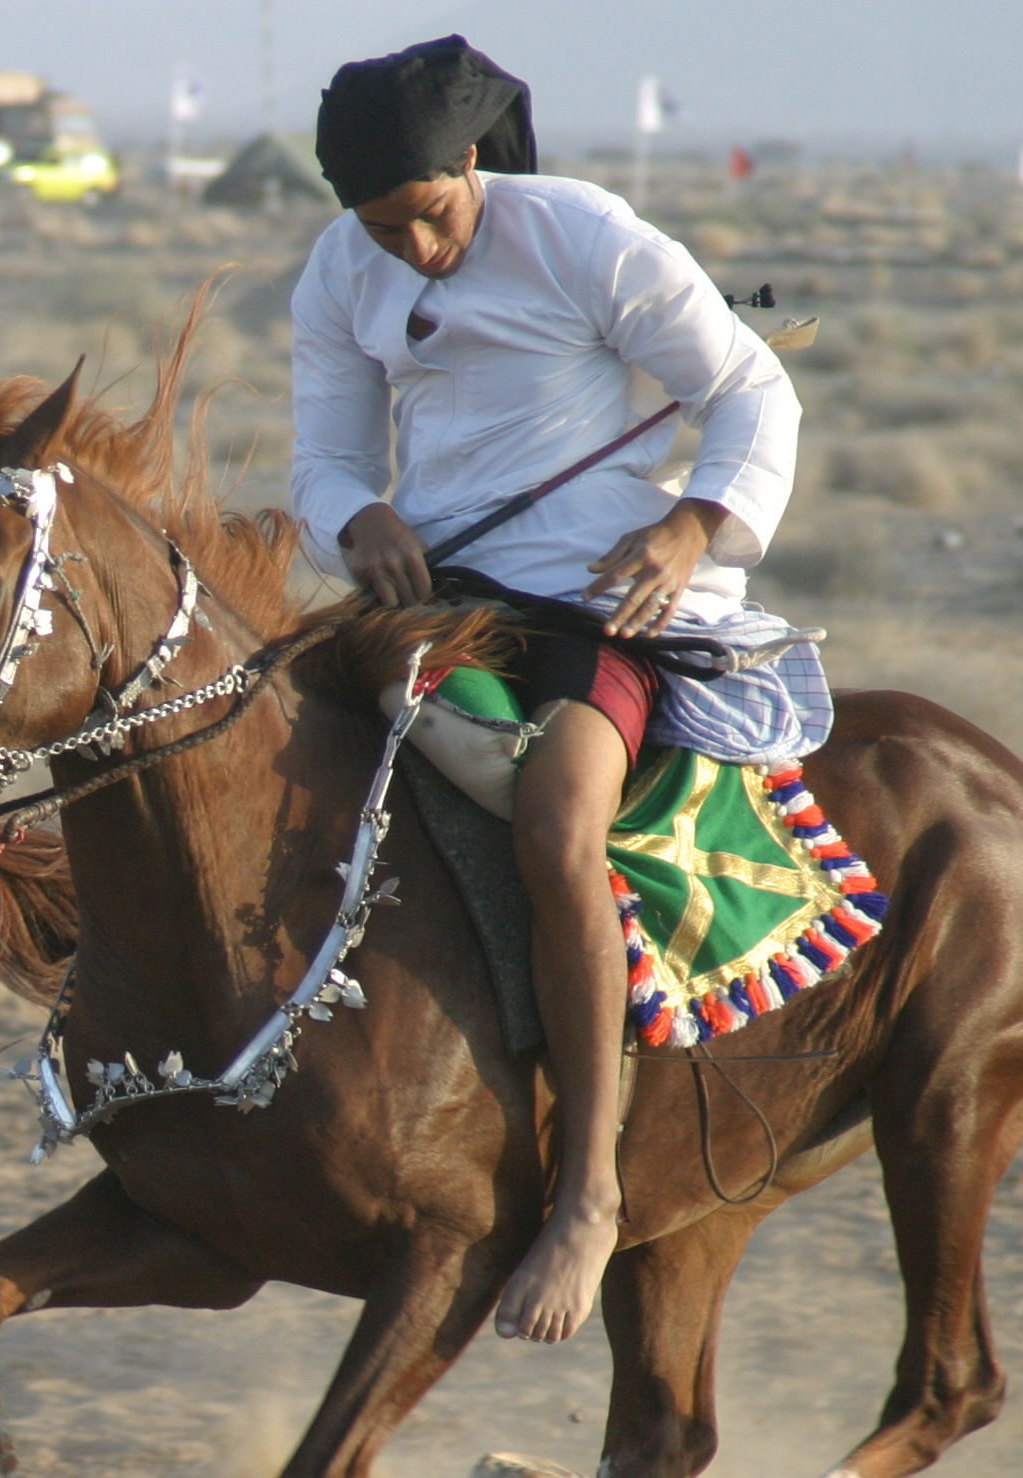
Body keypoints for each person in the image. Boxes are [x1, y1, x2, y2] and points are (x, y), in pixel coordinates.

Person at [287, 36, 820, 1345]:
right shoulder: (341, 268)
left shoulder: (581, 233)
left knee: (558, 823)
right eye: (384, 227)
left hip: (594, 598)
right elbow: (324, 459)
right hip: (433, 601)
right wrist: (358, 517)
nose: (413, 248)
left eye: (430, 214)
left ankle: (587, 1193)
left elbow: (751, 391)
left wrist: (690, 527)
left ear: (471, 160)